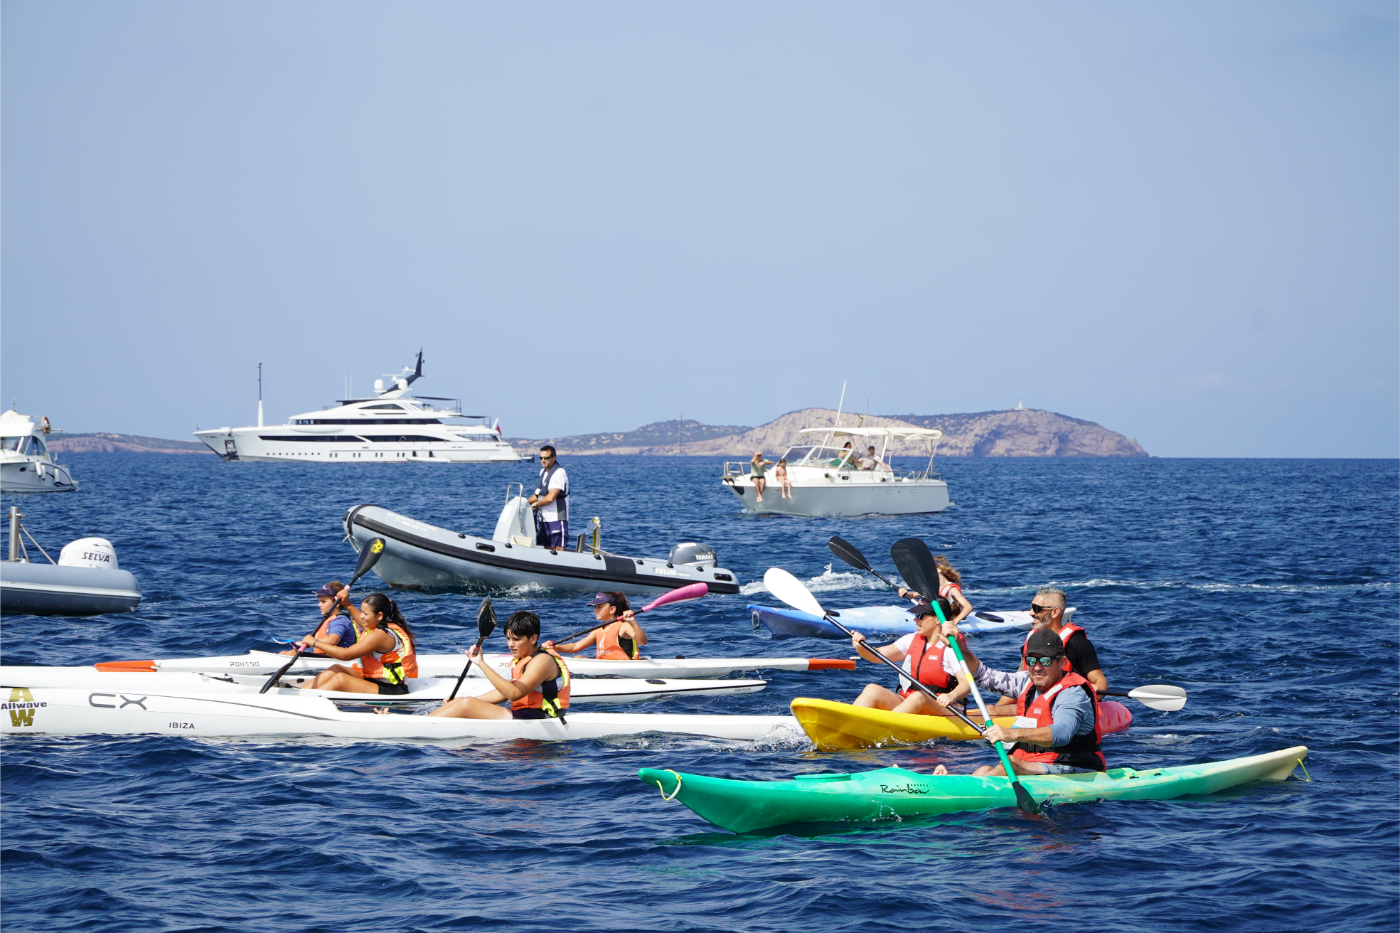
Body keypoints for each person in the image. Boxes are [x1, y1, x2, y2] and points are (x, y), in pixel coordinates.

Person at [930, 626, 1105, 776]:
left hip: (1075, 768)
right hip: (1033, 762)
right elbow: (983, 676)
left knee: (1010, 764)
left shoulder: (1072, 693)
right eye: (1031, 660)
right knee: (984, 770)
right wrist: (960, 647)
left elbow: (1062, 733)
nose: (1037, 667)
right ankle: (952, 786)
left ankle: (959, 790)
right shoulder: (1025, 681)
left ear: (1062, 662)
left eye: (1045, 661)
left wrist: (1011, 734)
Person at [430, 611, 571, 720]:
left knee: (466, 705)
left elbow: (514, 694)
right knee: (464, 702)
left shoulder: (542, 661)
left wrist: (481, 663)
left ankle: (423, 725)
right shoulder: (520, 660)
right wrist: (463, 700)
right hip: (524, 716)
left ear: (533, 638)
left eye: (516, 639)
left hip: (542, 718)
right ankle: (425, 721)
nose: (510, 644)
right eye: (508, 639)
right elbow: (503, 693)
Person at [850, 598, 972, 716]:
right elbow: (878, 655)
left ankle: (884, 725)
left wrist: (951, 696)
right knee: (872, 690)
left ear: (937, 619)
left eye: (920, 616)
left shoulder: (951, 647)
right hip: (909, 702)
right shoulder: (911, 639)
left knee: (919, 697)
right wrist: (861, 647)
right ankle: (849, 722)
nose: (915, 619)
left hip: (947, 709)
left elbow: (966, 683)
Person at [295, 593, 418, 695]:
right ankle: (302, 694)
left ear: (379, 615)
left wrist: (315, 642)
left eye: (365, 613)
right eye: (362, 612)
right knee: (336, 669)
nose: (361, 616)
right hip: (377, 680)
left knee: (340, 679)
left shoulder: (380, 635)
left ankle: (306, 702)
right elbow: (364, 622)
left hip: (391, 688)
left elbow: (346, 655)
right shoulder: (382, 626)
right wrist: (347, 604)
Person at [549, 592, 647, 660]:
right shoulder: (597, 630)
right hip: (604, 667)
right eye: (595, 607)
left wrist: (633, 622)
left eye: (599, 607)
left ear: (612, 609)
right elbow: (575, 647)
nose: (596, 610)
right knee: (578, 657)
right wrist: (553, 647)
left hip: (623, 666)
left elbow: (642, 642)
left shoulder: (624, 626)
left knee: (579, 658)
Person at [278, 581, 358, 658]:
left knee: (292, 653)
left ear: (337, 604)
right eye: (319, 601)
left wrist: (310, 642)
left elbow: (332, 640)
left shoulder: (339, 620)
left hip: (338, 659)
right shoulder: (332, 619)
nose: (319, 605)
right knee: (283, 653)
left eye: (323, 602)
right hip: (328, 657)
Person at [897, 555, 974, 625]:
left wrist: (954, 622)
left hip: (945, 620)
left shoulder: (951, 588)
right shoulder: (930, 586)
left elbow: (968, 607)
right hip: (932, 618)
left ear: (939, 569)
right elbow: (913, 595)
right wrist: (905, 592)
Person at [529, 445, 569, 548]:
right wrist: (523, 502)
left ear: (553, 458)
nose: (543, 460)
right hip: (543, 519)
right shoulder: (543, 472)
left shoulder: (559, 473)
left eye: (546, 458)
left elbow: (551, 497)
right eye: (541, 458)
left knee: (557, 549)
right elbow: (537, 495)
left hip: (556, 518)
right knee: (544, 548)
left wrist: (536, 504)